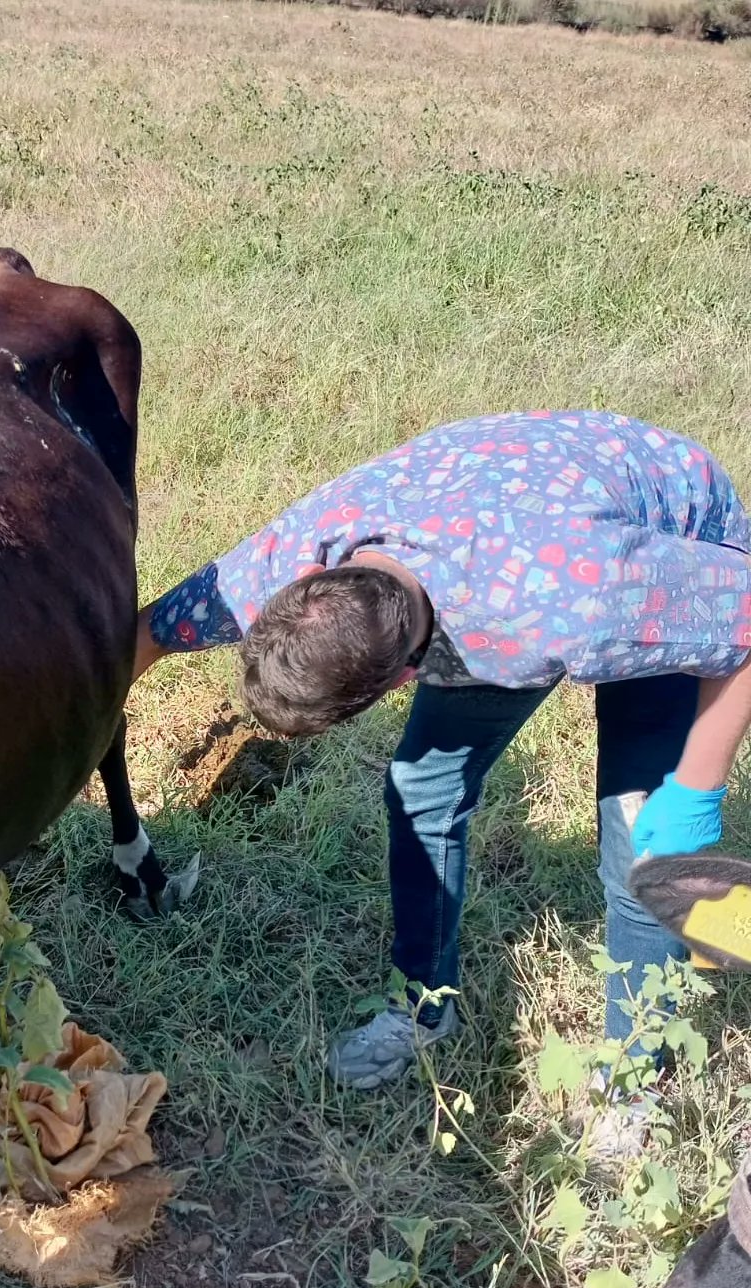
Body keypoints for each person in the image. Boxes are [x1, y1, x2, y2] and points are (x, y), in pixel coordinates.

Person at [132, 410, 751, 1101]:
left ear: (402, 678)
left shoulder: (576, 608)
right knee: (422, 787)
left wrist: (698, 790)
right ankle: (423, 1007)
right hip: (522, 499)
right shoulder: (310, 550)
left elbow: (746, 616)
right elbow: (157, 627)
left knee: (641, 850)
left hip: (667, 531)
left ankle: (637, 1078)